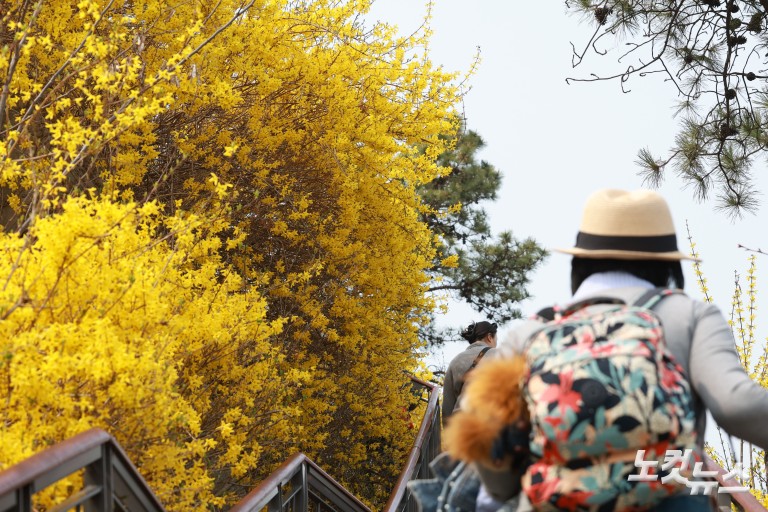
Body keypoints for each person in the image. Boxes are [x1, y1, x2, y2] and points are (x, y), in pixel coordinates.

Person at [481, 188, 768, 511]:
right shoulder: (689, 316)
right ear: (668, 266)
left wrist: (506, 488)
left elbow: (484, 425)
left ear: (579, 262)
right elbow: (736, 405)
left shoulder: (532, 331)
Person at [442, 320, 498, 429]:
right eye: (496, 340)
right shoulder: (499, 355)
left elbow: (447, 407)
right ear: (490, 337)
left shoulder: (455, 361)